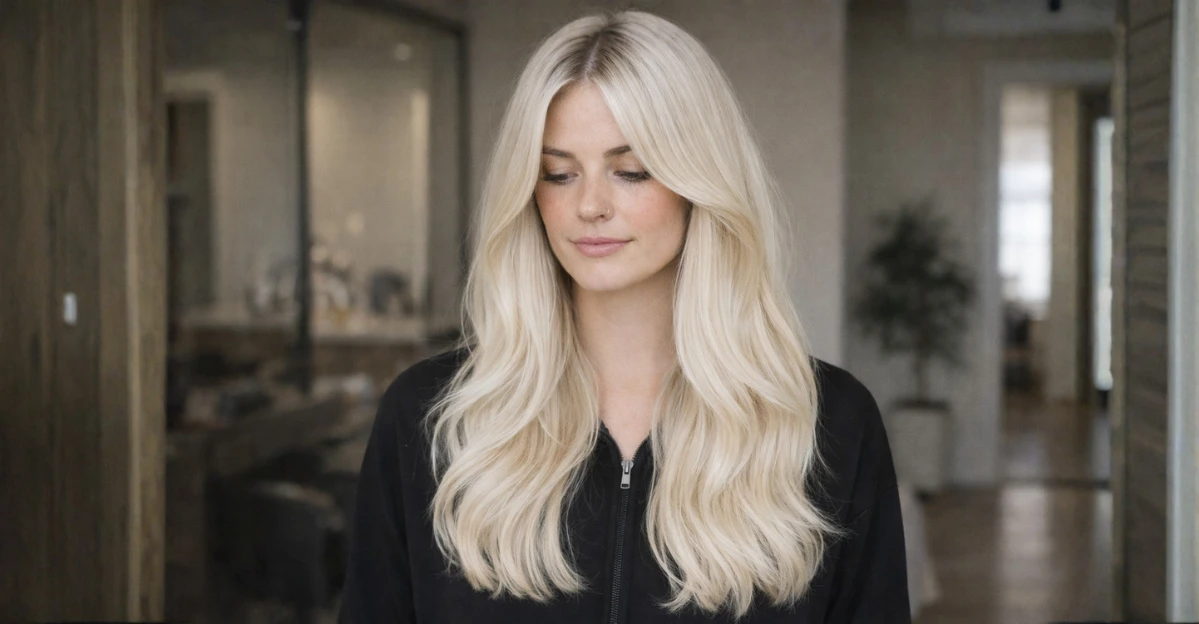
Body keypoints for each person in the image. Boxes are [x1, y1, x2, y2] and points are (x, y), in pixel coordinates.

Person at [339, 10, 909, 623]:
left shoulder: (826, 426)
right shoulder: (430, 421)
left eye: (630, 171)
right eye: (559, 174)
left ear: (700, 183)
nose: (589, 204)